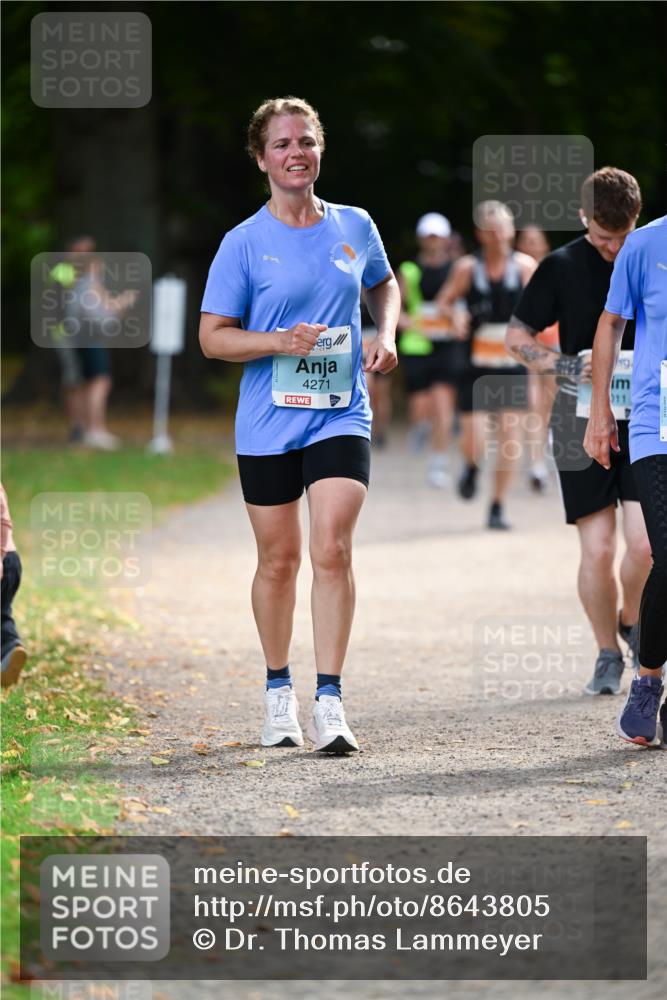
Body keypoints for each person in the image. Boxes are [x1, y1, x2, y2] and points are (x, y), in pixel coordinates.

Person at [199, 97, 399, 754]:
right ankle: (278, 692)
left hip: (340, 409)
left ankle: (330, 702)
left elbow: (383, 284)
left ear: (319, 150)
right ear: (262, 158)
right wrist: (278, 342)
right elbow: (212, 340)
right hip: (268, 419)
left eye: (305, 141)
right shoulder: (244, 243)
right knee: (278, 559)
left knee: (332, 548)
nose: (296, 153)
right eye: (282, 144)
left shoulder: (353, 224)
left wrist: (385, 333)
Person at [506, 167, 650, 695]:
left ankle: (630, 619)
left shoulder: (652, 257)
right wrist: (567, 367)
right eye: (603, 238)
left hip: (646, 416)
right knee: (596, 549)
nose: (613, 249)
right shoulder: (560, 265)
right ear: (583, 219)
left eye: (622, 236)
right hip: (575, 416)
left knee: (644, 547)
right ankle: (607, 653)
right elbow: (515, 337)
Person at [583, 214, 667, 746]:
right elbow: (612, 322)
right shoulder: (643, 244)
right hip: (658, 423)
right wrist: (599, 411)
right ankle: (648, 679)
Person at [438, 201, 536, 528]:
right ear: (480, 233)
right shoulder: (468, 268)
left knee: (510, 440)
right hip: (476, 367)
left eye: (503, 228)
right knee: (475, 440)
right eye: (490, 229)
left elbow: (547, 309)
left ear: (511, 230)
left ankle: (497, 506)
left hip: (511, 366)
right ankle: (471, 466)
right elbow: (444, 301)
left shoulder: (525, 268)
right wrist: (456, 315)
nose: (498, 235)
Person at [397, 213, 465, 487]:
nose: (433, 241)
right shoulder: (409, 269)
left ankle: (438, 461)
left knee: (443, 403)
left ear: (446, 238)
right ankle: (420, 427)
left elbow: (466, 304)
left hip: (447, 345)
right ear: (421, 239)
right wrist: (405, 323)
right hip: (417, 344)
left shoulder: (459, 269)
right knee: (420, 406)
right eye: (428, 236)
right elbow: (396, 306)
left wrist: (459, 320)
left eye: (438, 236)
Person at [50, 237, 136, 450]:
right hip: (81, 335)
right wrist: (122, 304)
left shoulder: (77, 279)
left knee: (81, 382)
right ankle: (93, 430)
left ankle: (83, 429)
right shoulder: (82, 280)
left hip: (73, 334)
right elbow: (98, 314)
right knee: (97, 380)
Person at [515, 226, 559, 493]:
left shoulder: (556, 268)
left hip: (553, 343)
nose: (531, 245)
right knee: (533, 405)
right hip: (526, 344)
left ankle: (548, 445)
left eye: (536, 241)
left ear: (544, 245)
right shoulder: (515, 270)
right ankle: (537, 464)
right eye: (526, 241)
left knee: (550, 403)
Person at [1, 484, 27, 688]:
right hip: (12, 562)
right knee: (1, 615)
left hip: (3, 560)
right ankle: (11, 651)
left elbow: (3, 522)